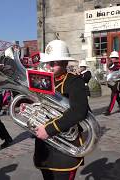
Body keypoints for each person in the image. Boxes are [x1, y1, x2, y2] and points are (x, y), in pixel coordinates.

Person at [34, 40, 89, 180]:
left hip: (66, 147)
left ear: (64, 63)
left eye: (53, 63)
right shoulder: (45, 81)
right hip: (44, 147)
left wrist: (49, 129)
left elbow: (79, 111)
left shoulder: (74, 81)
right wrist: (28, 106)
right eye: (47, 63)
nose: (48, 67)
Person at [104, 50, 120, 116]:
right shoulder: (112, 65)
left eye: (113, 58)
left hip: (117, 84)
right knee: (117, 97)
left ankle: (108, 111)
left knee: (113, 96)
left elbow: (118, 73)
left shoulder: (118, 65)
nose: (111, 59)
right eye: (111, 58)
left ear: (116, 58)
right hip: (113, 83)